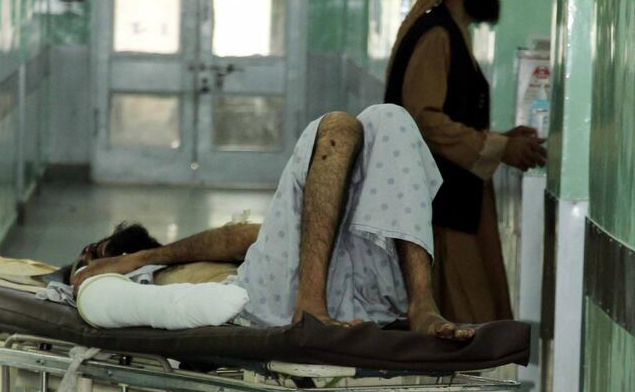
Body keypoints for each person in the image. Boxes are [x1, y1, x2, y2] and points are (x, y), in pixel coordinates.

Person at [70, 106, 475, 345]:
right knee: (336, 125)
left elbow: (245, 238)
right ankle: (310, 310)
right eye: (89, 253)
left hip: (355, 292)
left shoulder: (158, 260)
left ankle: (420, 302)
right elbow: (85, 290)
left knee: (388, 116)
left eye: (95, 249)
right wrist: (100, 270)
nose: (90, 255)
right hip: (273, 303)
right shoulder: (100, 285)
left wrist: (144, 256)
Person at [384, 0, 546, 392]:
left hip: (457, 205)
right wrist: (497, 145)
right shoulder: (435, 36)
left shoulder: (449, 34)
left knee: (465, 315)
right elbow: (424, 119)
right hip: (438, 210)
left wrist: (501, 142)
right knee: (454, 319)